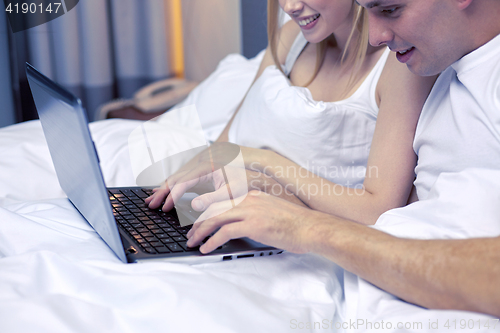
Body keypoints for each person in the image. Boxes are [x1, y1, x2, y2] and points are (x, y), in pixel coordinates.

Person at [184, 0, 500, 317]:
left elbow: (384, 209)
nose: (375, 35)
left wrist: (305, 225)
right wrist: (275, 194)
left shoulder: (420, 69)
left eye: (390, 10)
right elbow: (415, 211)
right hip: (362, 285)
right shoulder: (441, 65)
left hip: (361, 290)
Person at [146, 0, 435, 226]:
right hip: (233, 207)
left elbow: (378, 210)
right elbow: (224, 146)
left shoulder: (399, 68)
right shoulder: (292, 38)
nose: (289, 6)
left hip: (295, 236)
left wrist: (264, 162)